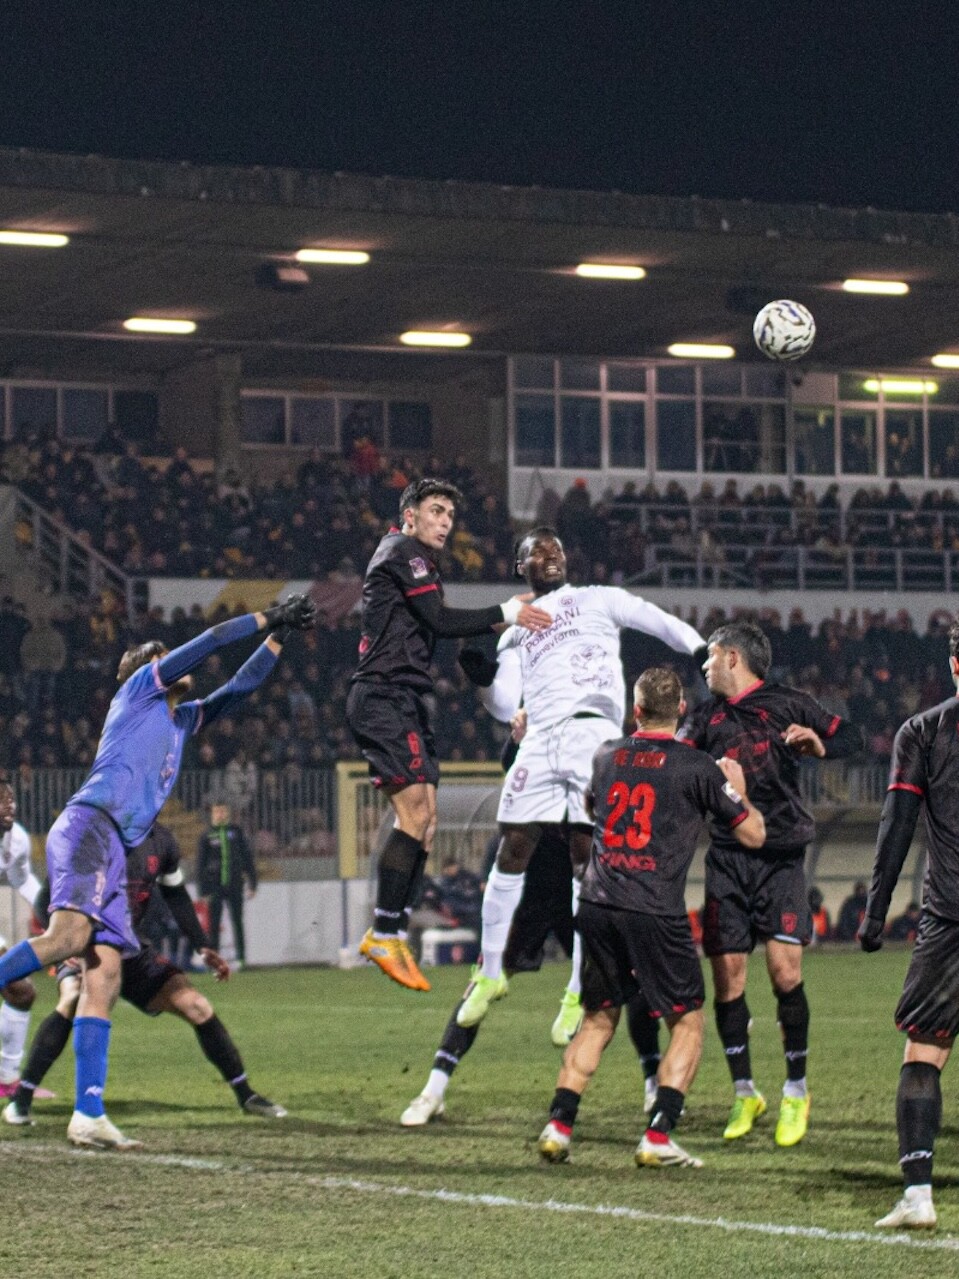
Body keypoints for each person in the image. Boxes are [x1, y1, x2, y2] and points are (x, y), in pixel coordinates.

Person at [0, 593, 316, 1150]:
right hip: (90, 824)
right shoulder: (139, 692)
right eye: (164, 657)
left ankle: (88, 1113)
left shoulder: (181, 719)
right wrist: (270, 613)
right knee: (68, 939)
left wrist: (279, 636)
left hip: (112, 845)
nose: (174, 662)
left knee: (105, 975)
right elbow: (212, 641)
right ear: (148, 669)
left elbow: (238, 688)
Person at [453, 527, 704, 1041]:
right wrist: (482, 680)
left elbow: (657, 620)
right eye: (537, 550)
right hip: (540, 737)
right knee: (513, 846)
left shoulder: (597, 599)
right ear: (521, 567)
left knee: (585, 859)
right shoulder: (516, 627)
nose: (550, 554)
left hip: (592, 735)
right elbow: (504, 705)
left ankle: (576, 989)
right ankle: (491, 971)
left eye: (557, 548)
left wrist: (699, 649)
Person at [537, 668, 765, 1167]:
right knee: (687, 1021)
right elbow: (754, 834)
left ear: (635, 710)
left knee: (598, 1018)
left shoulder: (605, 756)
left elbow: (594, 808)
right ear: (681, 709)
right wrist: (738, 790)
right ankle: (659, 1134)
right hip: (653, 907)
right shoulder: (697, 766)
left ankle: (559, 1125)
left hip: (597, 902)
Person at [401, 710, 667, 1127]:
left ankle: (652, 1082)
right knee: (483, 984)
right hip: (531, 895)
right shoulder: (543, 736)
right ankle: (433, 1091)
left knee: (629, 984)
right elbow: (513, 767)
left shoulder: (598, 744)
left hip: (581, 895)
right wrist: (518, 739)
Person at [346, 478, 552, 992]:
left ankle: (393, 930)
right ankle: (383, 933)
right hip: (384, 695)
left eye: (449, 515)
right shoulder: (401, 552)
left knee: (427, 822)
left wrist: (503, 618)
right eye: (436, 510)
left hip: (406, 699)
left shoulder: (420, 562)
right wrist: (505, 612)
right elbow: (438, 620)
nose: (444, 522)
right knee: (415, 816)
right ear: (410, 515)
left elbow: (435, 622)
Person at [677, 620, 863, 1148]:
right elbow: (677, 760)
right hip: (727, 859)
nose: (704, 666)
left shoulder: (788, 703)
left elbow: (850, 736)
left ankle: (796, 1090)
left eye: (711, 657)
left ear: (733, 657)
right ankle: (745, 1092)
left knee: (784, 973)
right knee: (728, 981)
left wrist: (820, 745)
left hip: (780, 858)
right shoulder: (704, 717)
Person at [4, 822, 285, 1127]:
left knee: (196, 1005)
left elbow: (175, 894)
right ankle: (22, 1101)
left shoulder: (162, 840)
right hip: (84, 946)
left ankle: (246, 1095)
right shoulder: (92, 834)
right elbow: (45, 899)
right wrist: (65, 943)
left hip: (129, 947)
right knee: (72, 999)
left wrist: (202, 945)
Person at [858, 617, 959, 1228]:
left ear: (954, 665)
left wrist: (875, 912)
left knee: (925, 1049)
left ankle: (919, 1195)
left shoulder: (923, 731)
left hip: (949, 918)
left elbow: (896, 826)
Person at [0, 779, 43, 1094]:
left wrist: (58, 915)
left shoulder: (16, 839)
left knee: (20, 992)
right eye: (2, 799)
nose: (10, 804)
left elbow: (23, 881)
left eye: (11, 798)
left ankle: (7, 1079)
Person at [197, 803, 257, 968]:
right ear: (212, 814)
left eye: (223, 811)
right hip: (214, 886)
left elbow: (247, 858)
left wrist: (253, 884)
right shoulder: (207, 835)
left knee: (237, 922)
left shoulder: (236, 832)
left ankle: (241, 958)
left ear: (228, 813)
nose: (220, 814)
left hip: (235, 884)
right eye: (217, 811)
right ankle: (214, 960)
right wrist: (203, 891)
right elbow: (200, 864)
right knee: (214, 924)